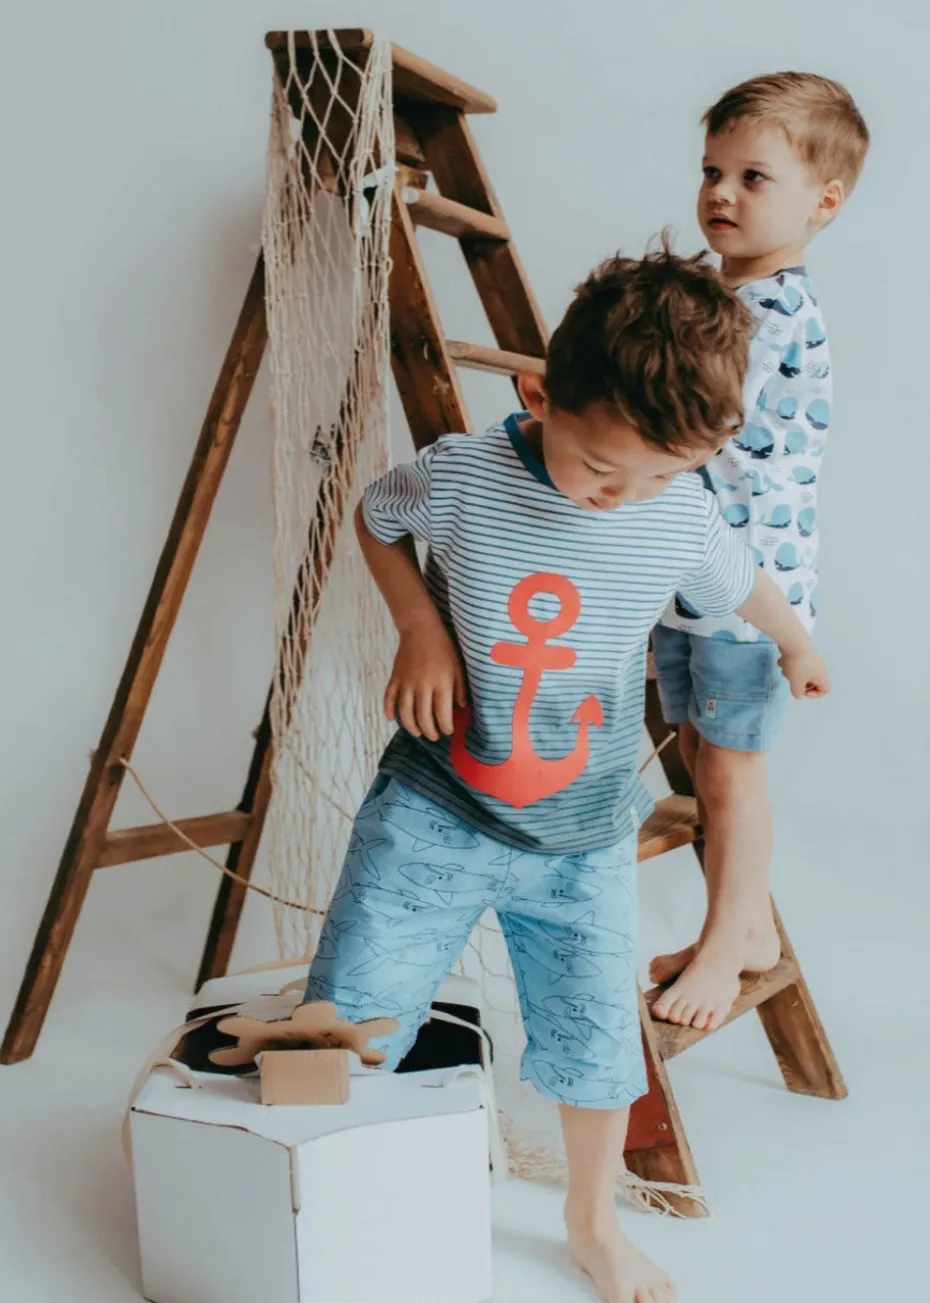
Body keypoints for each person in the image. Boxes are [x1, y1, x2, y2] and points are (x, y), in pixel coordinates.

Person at [305, 239, 830, 1303]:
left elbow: (743, 579)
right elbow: (375, 515)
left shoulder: (677, 510)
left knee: (595, 1042)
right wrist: (421, 627)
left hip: (583, 835)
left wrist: (796, 643)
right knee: (353, 1011)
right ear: (540, 397)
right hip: (437, 807)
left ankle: (592, 1220)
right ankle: (332, 1198)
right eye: (598, 469)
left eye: (659, 475)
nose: (619, 499)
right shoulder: (464, 473)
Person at [649, 74, 870, 1034]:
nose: (721, 193)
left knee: (732, 772)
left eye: (752, 176)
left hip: (748, 587)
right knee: (703, 757)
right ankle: (744, 929)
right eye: (711, 171)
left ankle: (728, 938)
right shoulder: (719, 294)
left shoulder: (772, 308)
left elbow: (695, 417)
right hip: (690, 579)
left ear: (824, 201)